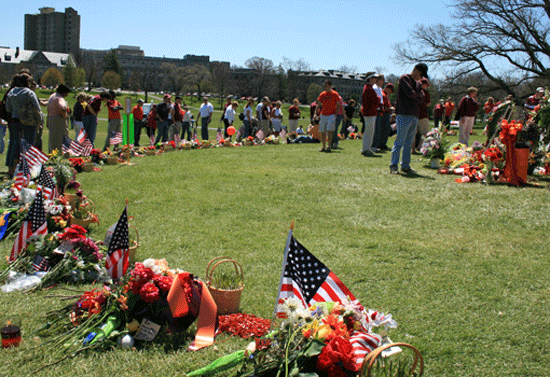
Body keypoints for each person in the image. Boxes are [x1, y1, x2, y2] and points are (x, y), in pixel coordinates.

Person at [389, 63, 428, 174]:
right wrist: (417, 96)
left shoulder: (418, 83)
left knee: (409, 143)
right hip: (404, 114)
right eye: (420, 74)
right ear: (415, 70)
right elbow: (410, 93)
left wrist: (416, 96)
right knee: (399, 141)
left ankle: (405, 165)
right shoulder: (404, 78)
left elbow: (422, 99)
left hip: (414, 115)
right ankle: (393, 165)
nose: (421, 78)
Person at [5, 73, 43, 177]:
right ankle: (26, 170)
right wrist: (40, 121)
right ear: (27, 82)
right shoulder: (29, 93)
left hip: (14, 121)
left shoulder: (11, 92)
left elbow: (8, 109)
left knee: (14, 145)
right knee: (28, 145)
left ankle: (12, 170)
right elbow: (37, 108)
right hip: (28, 121)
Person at [315, 80, 342, 152]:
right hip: (323, 114)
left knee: (330, 131)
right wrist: (315, 114)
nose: (325, 87)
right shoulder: (322, 94)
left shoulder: (335, 94)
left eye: (326, 85)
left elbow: (338, 104)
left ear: (330, 86)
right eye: (324, 85)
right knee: (322, 131)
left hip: (331, 115)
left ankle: (329, 146)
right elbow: (318, 104)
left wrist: (336, 113)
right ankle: (323, 147)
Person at [47, 84, 70, 153]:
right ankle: (59, 155)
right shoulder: (60, 98)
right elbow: (63, 108)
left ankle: (52, 155)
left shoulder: (52, 96)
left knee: (52, 139)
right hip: (59, 120)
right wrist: (64, 115)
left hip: (51, 119)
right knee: (60, 140)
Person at [361, 73, 380, 156]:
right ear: (369, 79)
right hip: (370, 112)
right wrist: (378, 97)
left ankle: (366, 148)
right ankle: (366, 149)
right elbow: (376, 99)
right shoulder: (369, 88)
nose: (375, 79)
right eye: (374, 78)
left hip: (369, 112)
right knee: (369, 132)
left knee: (368, 131)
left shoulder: (368, 88)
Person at [375, 82, 395, 150]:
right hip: (383, 113)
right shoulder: (383, 94)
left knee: (386, 130)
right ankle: (380, 144)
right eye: (390, 90)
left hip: (386, 113)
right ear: (387, 88)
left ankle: (383, 144)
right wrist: (390, 109)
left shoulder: (386, 95)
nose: (390, 92)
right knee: (383, 130)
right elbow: (383, 105)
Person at [414, 78, 431, 153]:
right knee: (425, 132)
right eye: (426, 85)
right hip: (423, 115)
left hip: (414, 114)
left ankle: (412, 150)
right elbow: (428, 104)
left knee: (413, 133)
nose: (426, 86)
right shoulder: (425, 93)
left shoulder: (414, 91)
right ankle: (420, 146)